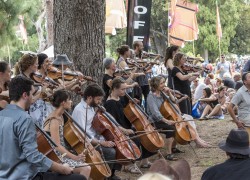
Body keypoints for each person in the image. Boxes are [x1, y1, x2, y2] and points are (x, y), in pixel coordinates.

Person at [0, 76, 85, 180]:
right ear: (25, 95)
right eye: (32, 94)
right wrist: (62, 168)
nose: (33, 99)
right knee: (79, 178)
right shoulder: (25, 119)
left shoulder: (2, 115)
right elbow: (33, 156)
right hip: (26, 176)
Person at [104, 77, 155, 173]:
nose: (125, 91)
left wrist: (132, 104)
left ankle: (144, 161)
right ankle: (129, 165)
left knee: (144, 134)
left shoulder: (122, 98)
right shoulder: (109, 103)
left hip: (127, 125)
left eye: (125, 89)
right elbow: (112, 123)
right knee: (135, 138)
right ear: (114, 89)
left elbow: (126, 111)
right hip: (119, 130)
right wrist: (125, 130)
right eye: (122, 89)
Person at [72, 84, 121, 180]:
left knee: (116, 143)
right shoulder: (80, 110)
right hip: (86, 143)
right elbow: (83, 135)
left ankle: (110, 174)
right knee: (110, 152)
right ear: (89, 98)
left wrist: (98, 111)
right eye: (98, 99)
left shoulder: (90, 106)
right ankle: (104, 177)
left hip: (95, 137)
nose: (100, 102)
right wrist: (101, 142)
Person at [43, 90, 91, 178]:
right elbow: (57, 146)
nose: (71, 102)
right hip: (56, 157)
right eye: (69, 99)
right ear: (63, 102)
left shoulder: (61, 116)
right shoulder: (54, 120)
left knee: (85, 166)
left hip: (62, 154)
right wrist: (74, 157)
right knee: (86, 168)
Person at [228, 72, 250, 137]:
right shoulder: (240, 93)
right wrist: (237, 121)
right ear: (245, 82)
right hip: (246, 120)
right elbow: (229, 107)